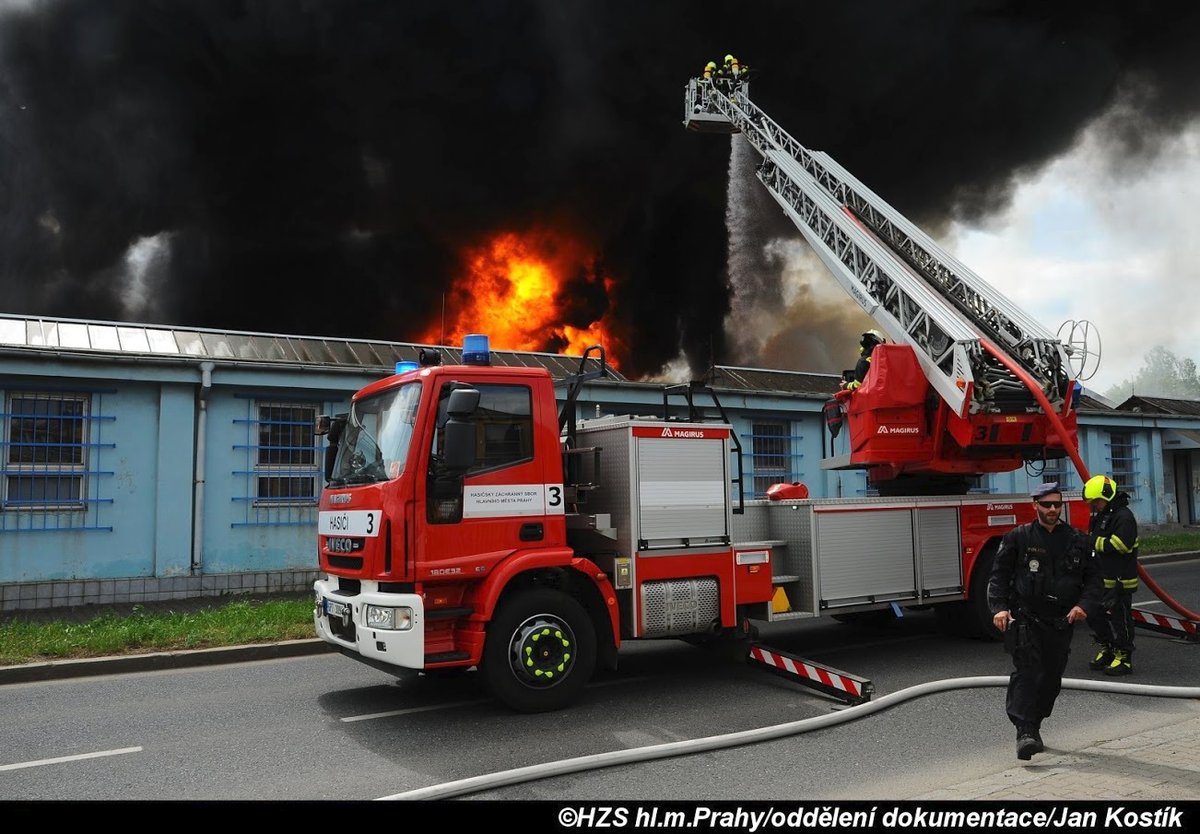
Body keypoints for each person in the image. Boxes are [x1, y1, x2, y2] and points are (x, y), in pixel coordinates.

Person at [987, 482, 1101, 760]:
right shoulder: (1019, 538)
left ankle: (1034, 725)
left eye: (1057, 504)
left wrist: (1083, 605)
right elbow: (998, 576)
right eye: (1046, 504)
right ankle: (1024, 731)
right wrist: (999, 609)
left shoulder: (1078, 540)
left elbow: (1095, 581)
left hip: (1061, 621)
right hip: (1027, 618)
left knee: (1050, 678)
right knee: (1028, 672)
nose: (1052, 509)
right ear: (1034, 505)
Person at [1082, 474, 1140, 676]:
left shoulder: (1124, 517)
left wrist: (1091, 543)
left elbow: (1120, 545)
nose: (1095, 505)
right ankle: (1108, 647)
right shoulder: (1105, 514)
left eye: (1096, 501)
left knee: (1120, 619)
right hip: (1101, 579)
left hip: (1120, 581)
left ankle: (1124, 658)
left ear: (1107, 496)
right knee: (1093, 614)